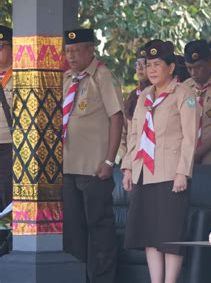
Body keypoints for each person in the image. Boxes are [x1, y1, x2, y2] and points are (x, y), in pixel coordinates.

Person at [122, 39, 199, 283]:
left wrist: (182, 172)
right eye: (148, 65)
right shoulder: (144, 95)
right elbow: (135, 134)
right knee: (148, 232)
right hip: (144, 171)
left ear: (171, 67)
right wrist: (127, 168)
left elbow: (190, 138)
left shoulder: (184, 95)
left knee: (169, 233)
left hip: (170, 173)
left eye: (157, 64)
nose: (151, 70)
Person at [62, 28, 124, 283]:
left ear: (91, 50)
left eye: (76, 50)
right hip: (68, 166)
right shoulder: (67, 78)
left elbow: (116, 117)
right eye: (68, 51)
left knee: (99, 228)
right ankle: (78, 277)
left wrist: (109, 160)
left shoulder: (102, 76)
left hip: (95, 167)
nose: (71, 56)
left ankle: (102, 279)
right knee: (73, 230)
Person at [183, 40, 211, 164]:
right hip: (186, 157)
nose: (194, 73)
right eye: (189, 68)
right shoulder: (185, 87)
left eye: (198, 67)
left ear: (210, 62)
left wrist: (198, 152)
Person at [119, 46, 151, 160]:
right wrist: (123, 156)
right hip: (131, 157)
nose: (140, 68)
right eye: (137, 64)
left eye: (145, 64)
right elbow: (123, 130)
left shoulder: (158, 93)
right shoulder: (133, 96)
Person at [0, 25, 13, 210]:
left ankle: (7, 239)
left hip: (10, 146)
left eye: (1, 46)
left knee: (7, 198)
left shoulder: (22, 75)